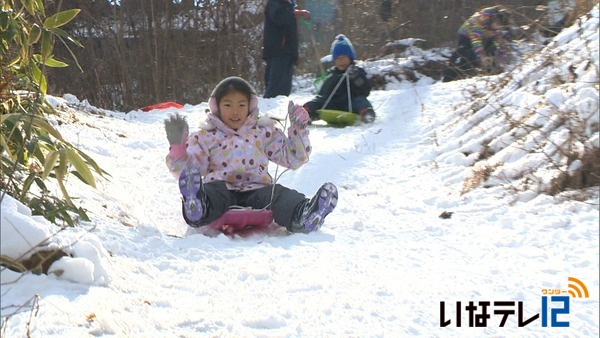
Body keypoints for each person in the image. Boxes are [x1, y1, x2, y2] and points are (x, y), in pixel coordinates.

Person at [163, 76, 337, 233]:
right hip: (223, 191)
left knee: (278, 194)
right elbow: (191, 171)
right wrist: (178, 149)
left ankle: (304, 214)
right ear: (217, 107)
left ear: (250, 106)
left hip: (258, 191)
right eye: (228, 105)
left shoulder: (262, 132)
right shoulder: (206, 136)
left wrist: (298, 130)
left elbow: (294, 158)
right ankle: (198, 207)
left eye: (241, 105)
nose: (235, 111)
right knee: (212, 190)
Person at [303, 34, 376, 124]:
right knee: (320, 101)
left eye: (343, 58)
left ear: (350, 58)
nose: (341, 61)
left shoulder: (357, 72)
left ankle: (366, 114)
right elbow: (323, 92)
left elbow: (365, 90)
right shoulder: (333, 74)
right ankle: (306, 113)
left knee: (361, 101)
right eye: (337, 58)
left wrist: (355, 77)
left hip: (352, 103)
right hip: (333, 104)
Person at [442, 6, 512, 82]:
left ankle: (492, 74)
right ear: (494, 20)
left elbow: (500, 41)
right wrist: (482, 57)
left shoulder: (496, 27)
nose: (498, 28)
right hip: (466, 36)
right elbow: (476, 41)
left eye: (501, 27)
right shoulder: (478, 22)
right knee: (463, 53)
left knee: (491, 50)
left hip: (486, 36)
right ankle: (449, 76)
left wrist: (502, 56)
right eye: (498, 25)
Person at [262, 0, 310, 98]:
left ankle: (281, 109)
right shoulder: (274, 3)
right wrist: (297, 13)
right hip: (277, 51)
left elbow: (292, 34)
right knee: (275, 88)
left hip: (287, 52)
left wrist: (295, 54)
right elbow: (279, 18)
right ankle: (268, 109)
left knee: (285, 89)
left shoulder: (288, 5)